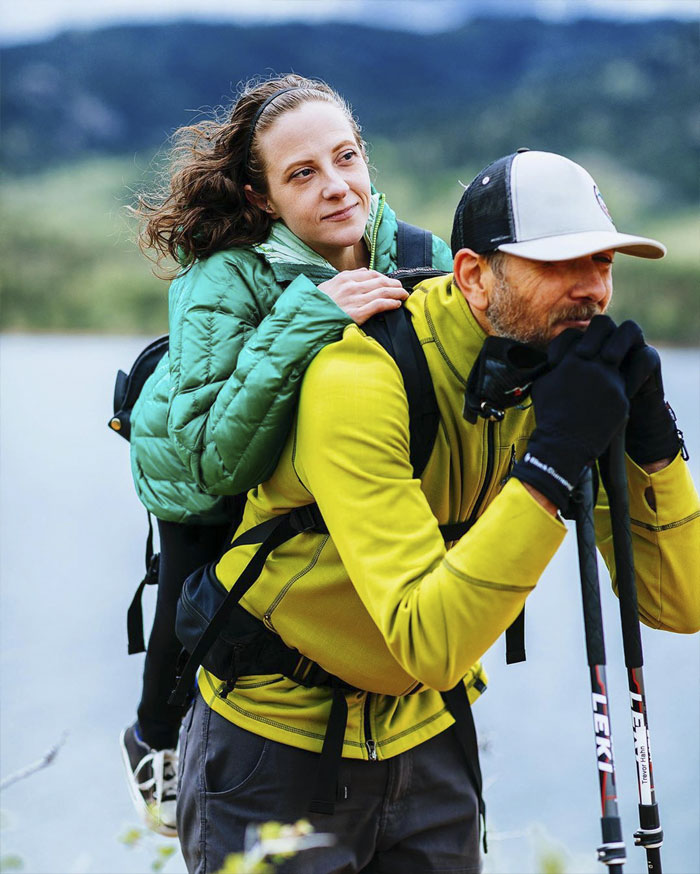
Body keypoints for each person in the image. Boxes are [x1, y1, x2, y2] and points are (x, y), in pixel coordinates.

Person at [175, 149, 700, 873]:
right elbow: (430, 639)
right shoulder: (360, 378)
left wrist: (653, 444)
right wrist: (552, 466)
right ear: (474, 276)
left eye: (604, 263)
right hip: (275, 740)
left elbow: (680, 601)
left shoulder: (554, 376)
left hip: (429, 736)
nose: (593, 292)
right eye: (559, 265)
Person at [118, 74, 454, 837]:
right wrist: (311, 315)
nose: (336, 187)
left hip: (321, 468)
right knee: (194, 598)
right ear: (262, 196)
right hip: (193, 463)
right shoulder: (222, 280)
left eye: (346, 158)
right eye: (303, 173)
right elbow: (215, 461)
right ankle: (158, 741)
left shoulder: (421, 255)